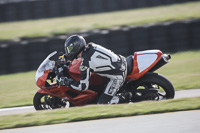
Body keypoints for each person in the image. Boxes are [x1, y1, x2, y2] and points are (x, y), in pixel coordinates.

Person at [59, 35, 132, 104]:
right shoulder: (90, 46)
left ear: (76, 47)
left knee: (102, 104)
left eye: (69, 49)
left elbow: (83, 87)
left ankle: (124, 97)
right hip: (120, 61)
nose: (68, 52)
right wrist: (66, 56)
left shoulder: (86, 63)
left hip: (118, 75)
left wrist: (66, 82)